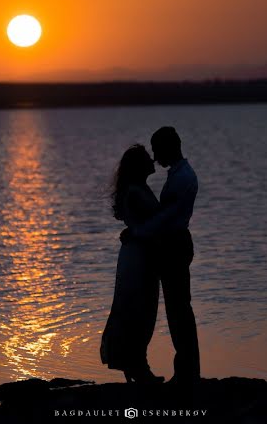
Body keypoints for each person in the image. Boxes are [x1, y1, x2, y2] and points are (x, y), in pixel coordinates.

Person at [123, 126, 201, 384]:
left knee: (178, 310)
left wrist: (137, 233)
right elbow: (162, 217)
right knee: (177, 309)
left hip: (175, 245)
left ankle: (187, 372)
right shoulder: (179, 175)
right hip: (171, 244)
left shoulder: (181, 178)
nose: (155, 157)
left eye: (157, 150)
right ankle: (186, 370)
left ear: (169, 147)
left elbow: (165, 218)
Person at [100, 144, 164, 383]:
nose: (153, 160)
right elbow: (146, 226)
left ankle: (137, 366)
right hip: (138, 257)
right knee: (138, 310)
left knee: (142, 310)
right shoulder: (135, 192)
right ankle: (137, 367)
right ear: (139, 165)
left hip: (140, 254)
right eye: (148, 158)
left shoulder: (139, 188)